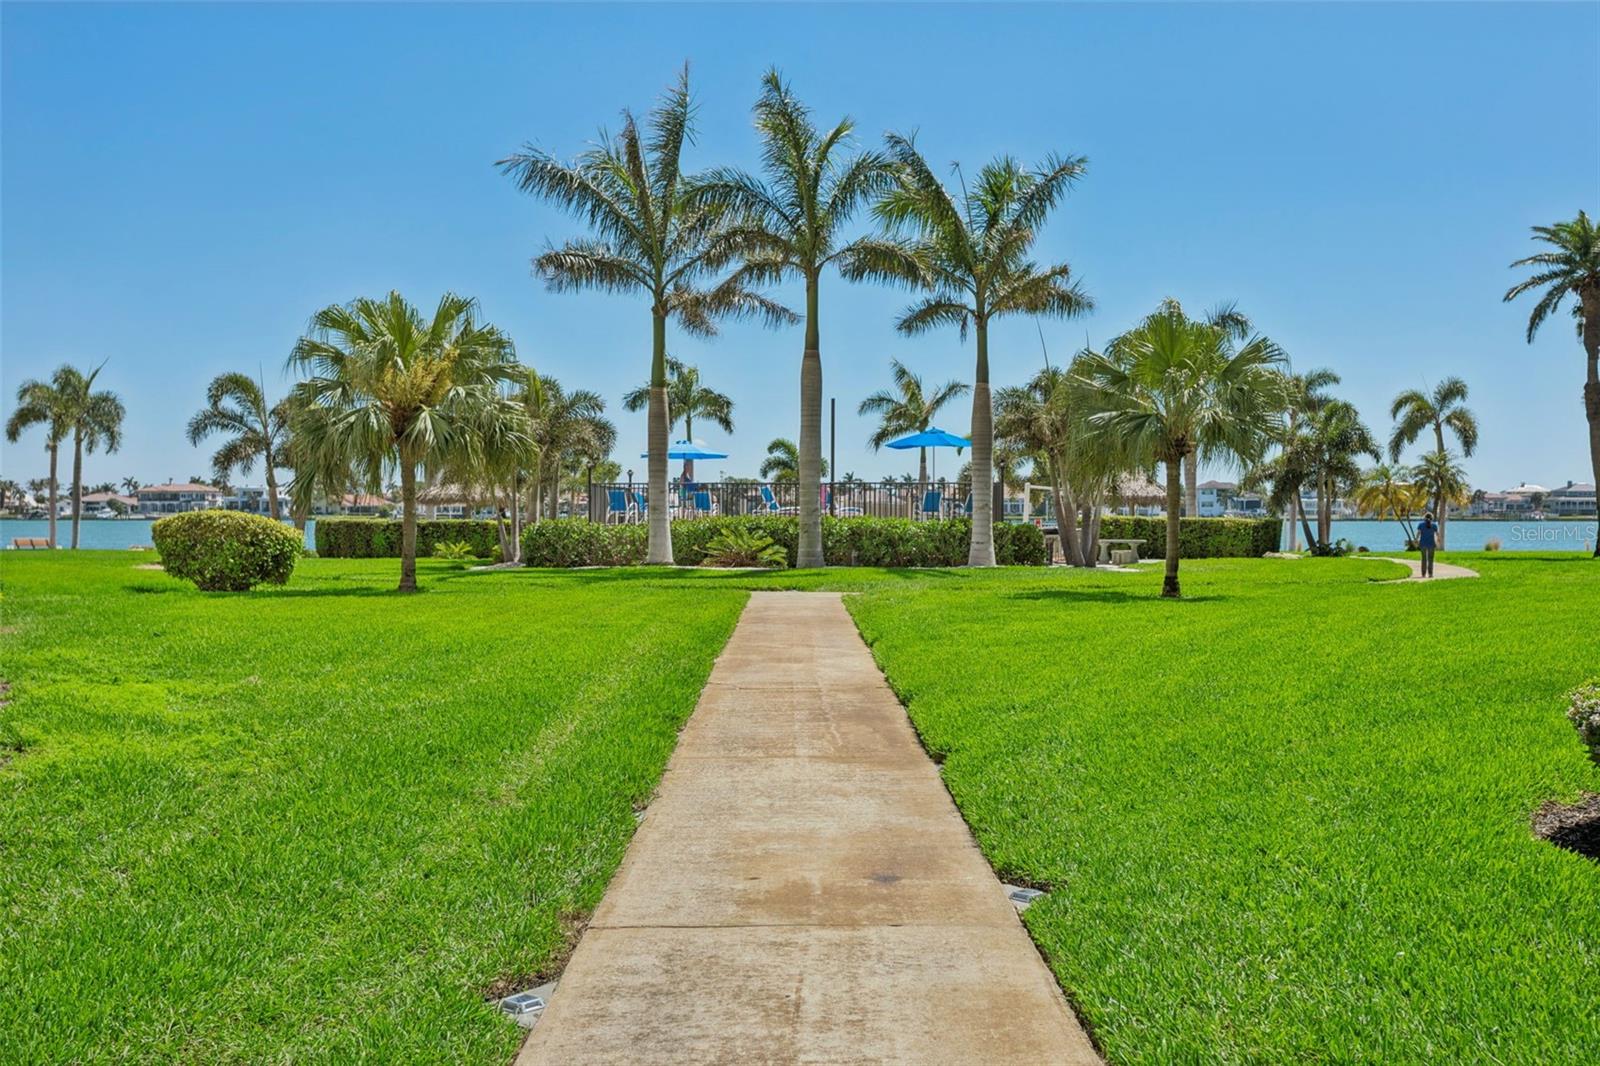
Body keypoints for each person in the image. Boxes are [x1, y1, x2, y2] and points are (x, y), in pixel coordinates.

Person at [1417, 511, 1438, 578]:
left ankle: (1423, 574)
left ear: (1424, 517)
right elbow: (1437, 534)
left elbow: (1418, 534)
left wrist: (1416, 540)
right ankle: (1430, 574)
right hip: (1431, 544)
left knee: (1423, 559)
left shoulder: (1420, 524)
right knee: (1430, 559)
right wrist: (1438, 541)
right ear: (1432, 518)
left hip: (1423, 544)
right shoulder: (1434, 525)